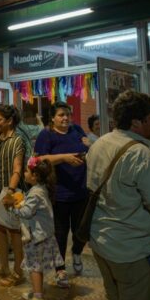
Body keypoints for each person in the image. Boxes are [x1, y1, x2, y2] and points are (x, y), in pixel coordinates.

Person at [87, 90, 150, 300]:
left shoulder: (99, 144)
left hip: (101, 242)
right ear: (136, 122)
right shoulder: (141, 154)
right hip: (133, 249)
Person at [34, 100, 87, 288]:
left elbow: (87, 149)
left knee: (82, 230)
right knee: (60, 233)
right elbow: (38, 159)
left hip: (81, 190)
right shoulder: (46, 135)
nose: (65, 118)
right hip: (59, 193)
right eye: (61, 115)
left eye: (67, 114)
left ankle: (78, 252)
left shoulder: (77, 131)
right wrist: (63, 158)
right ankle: (60, 269)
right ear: (52, 118)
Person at [3, 157, 62, 300]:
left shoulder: (35, 193)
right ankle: (37, 292)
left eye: (27, 171)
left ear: (35, 175)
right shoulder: (41, 188)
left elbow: (27, 212)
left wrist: (12, 206)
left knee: (34, 267)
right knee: (37, 267)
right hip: (43, 234)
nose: (24, 173)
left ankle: (38, 298)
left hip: (37, 237)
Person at [0, 104, 26, 287]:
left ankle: (18, 272)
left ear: (9, 120)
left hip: (9, 190)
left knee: (14, 232)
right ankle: (4, 268)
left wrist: (10, 191)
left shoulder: (17, 140)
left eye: (0, 119)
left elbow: (17, 169)